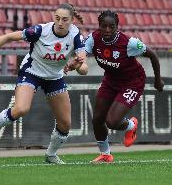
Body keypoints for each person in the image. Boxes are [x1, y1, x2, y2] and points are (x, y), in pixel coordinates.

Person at [0, 3, 88, 164]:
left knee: (65, 123)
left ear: (72, 20)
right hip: (32, 72)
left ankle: (51, 155)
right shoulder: (40, 31)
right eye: (57, 18)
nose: (60, 23)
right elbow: (7, 37)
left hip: (54, 77)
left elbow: (84, 69)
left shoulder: (76, 36)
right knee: (21, 109)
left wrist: (77, 65)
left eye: (65, 20)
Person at [64, 10, 164, 163]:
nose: (107, 30)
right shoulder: (93, 38)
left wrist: (158, 80)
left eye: (112, 27)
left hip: (133, 82)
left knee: (112, 122)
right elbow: (82, 56)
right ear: (99, 26)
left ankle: (131, 125)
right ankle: (106, 154)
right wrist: (73, 64)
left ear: (117, 27)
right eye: (104, 26)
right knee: (97, 119)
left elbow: (153, 55)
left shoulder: (129, 43)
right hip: (111, 80)